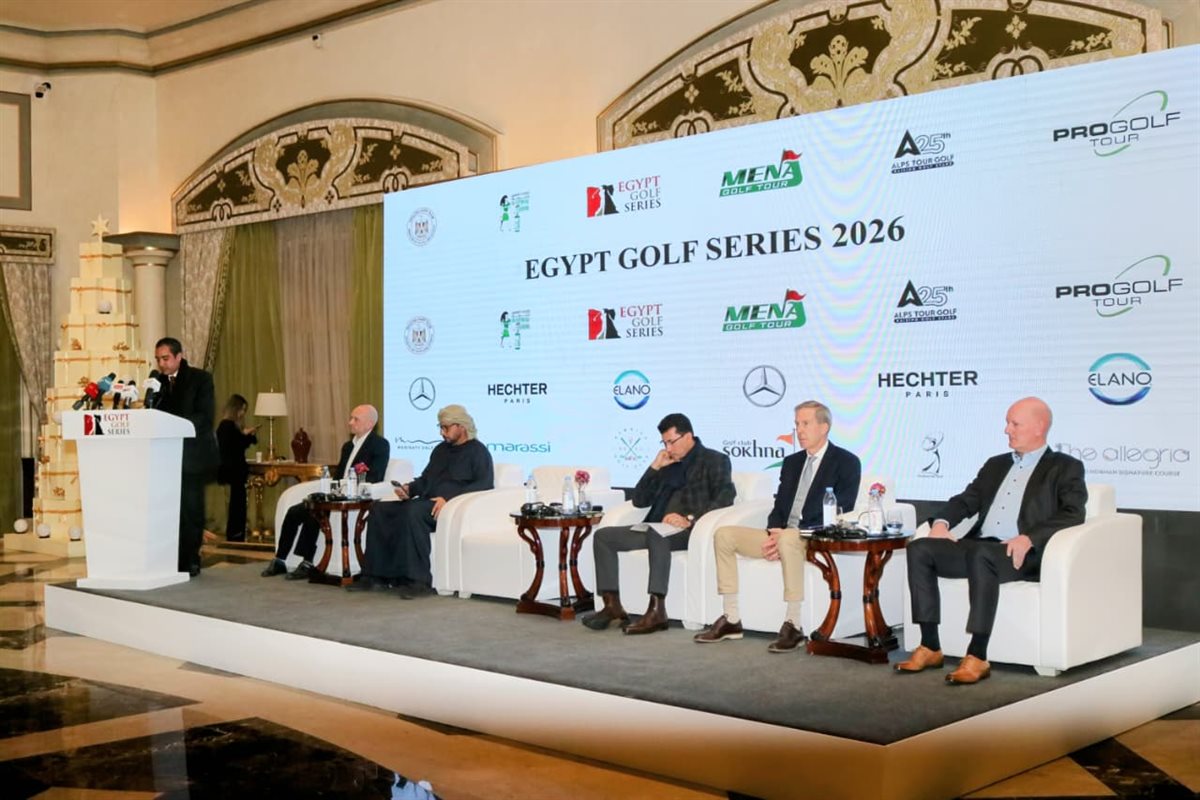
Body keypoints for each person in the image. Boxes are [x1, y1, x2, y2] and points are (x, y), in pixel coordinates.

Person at [897, 397, 1087, 684]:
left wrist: (1029, 538)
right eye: (1007, 423)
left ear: (1039, 427)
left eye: (1015, 424)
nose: (1006, 430)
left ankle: (977, 655)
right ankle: (930, 645)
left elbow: (1072, 512)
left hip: (1019, 553)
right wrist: (941, 523)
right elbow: (967, 500)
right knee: (920, 548)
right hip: (980, 546)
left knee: (981, 554)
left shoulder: (1065, 467)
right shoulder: (996, 464)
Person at [694, 400, 860, 652]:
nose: (799, 430)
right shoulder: (792, 462)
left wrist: (789, 535)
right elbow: (779, 506)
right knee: (724, 535)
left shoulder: (846, 462)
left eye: (805, 424)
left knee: (789, 538)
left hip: (813, 537)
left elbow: (841, 509)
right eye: (797, 424)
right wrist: (774, 532)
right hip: (781, 535)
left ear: (824, 427)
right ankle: (731, 618)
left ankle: (793, 624)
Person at [585, 413, 734, 635]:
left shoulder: (714, 460)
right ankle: (612, 605)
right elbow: (640, 500)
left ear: (688, 436)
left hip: (688, 530)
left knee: (658, 535)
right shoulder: (667, 463)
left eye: (671, 442)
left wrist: (689, 519)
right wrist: (655, 467)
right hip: (655, 527)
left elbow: (725, 498)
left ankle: (657, 611)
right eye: (664, 443)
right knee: (603, 536)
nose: (668, 448)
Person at [350, 404, 493, 597]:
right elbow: (426, 479)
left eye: (446, 427)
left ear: (461, 426)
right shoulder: (440, 450)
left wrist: (449, 500)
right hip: (426, 502)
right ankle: (375, 576)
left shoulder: (478, 452)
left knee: (413, 512)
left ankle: (418, 581)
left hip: (451, 509)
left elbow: (484, 485)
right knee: (379, 510)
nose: (442, 432)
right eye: (440, 427)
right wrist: (409, 489)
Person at [261, 404, 390, 579]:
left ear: (369, 424)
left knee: (315, 514)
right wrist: (332, 489)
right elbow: (338, 475)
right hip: (335, 494)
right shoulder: (348, 446)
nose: (350, 422)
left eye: (355, 419)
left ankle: (307, 562)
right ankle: (280, 559)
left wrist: (348, 487)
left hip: (353, 497)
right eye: (351, 418)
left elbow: (375, 476)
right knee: (294, 511)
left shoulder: (379, 445)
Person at [154, 337, 219, 577]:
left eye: (165, 358)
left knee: (191, 510)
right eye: (158, 359)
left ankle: (191, 559)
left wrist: (173, 425)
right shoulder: (157, 382)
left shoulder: (201, 379)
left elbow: (204, 416)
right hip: (165, 457)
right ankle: (170, 557)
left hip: (192, 455)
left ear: (179, 357)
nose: (162, 364)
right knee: (171, 509)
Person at [215, 393, 257, 543]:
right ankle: (235, 534)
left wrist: (245, 435)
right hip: (233, 471)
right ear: (236, 409)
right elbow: (237, 445)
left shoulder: (225, 426)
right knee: (237, 505)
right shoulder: (228, 426)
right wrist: (247, 435)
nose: (243, 413)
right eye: (242, 409)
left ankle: (236, 533)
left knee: (237, 504)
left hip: (232, 470)